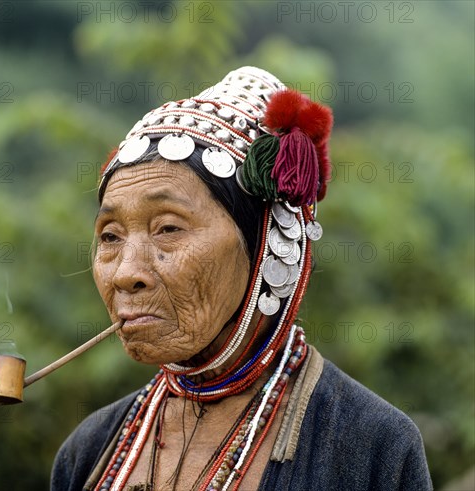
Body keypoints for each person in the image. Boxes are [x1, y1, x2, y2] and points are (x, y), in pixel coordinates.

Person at [51, 67, 432, 491]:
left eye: (169, 229)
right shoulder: (87, 452)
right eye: (110, 236)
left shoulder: (370, 448)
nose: (126, 273)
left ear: (264, 245)